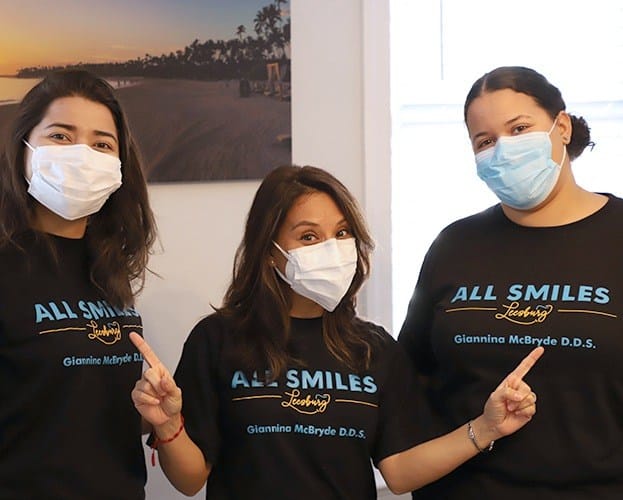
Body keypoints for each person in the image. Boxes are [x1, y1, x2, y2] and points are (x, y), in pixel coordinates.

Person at [130, 165, 541, 499]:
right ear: (271, 253)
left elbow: (398, 471)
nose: (332, 247)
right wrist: (168, 426)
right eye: (309, 236)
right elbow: (189, 480)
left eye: (342, 233)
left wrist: (485, 428)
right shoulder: (218, 339)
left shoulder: (374, 349)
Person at [398, 65, 620, 499]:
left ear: (561, 127)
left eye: (519, 128)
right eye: (485, 141)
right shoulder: (454, 246)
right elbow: (409, 383)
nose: (503, 149)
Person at [0, 69, 156, 499]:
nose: (82, 154)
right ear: (25, 148)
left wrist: (155, 414)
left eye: (102, 143)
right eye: (61, 136)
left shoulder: (110, 270)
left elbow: (74, 406)